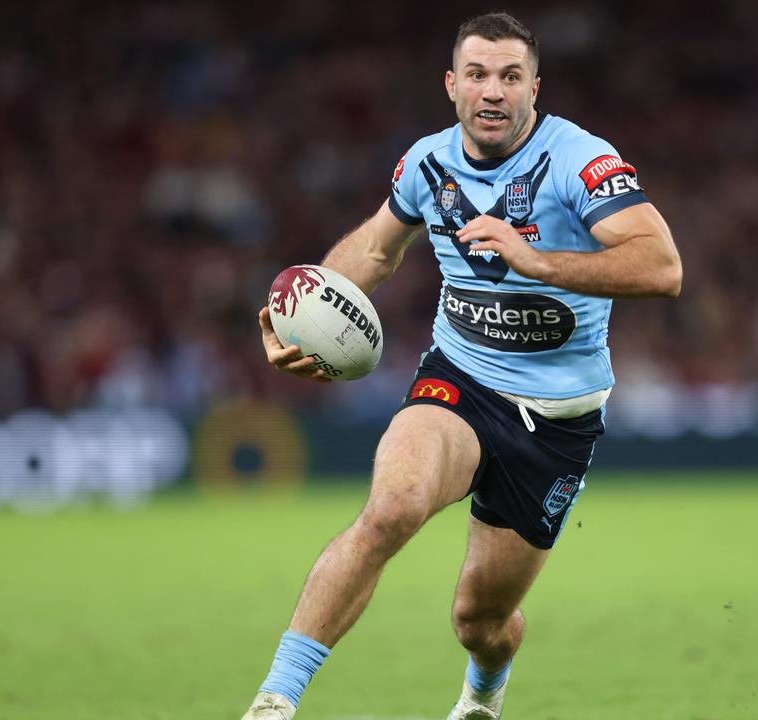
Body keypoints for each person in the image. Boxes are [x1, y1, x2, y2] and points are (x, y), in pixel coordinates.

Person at [243, 12, 681, 720]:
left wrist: (537, 260)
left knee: (479, 620)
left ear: (536, 87)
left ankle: (483, 691)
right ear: (451, 85)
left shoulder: (580, 160)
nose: (493, 91)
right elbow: (377, 252)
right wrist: (302, 316)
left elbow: (662, 266)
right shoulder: (426, 163)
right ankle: (275, 701)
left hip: (557, 423)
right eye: (477, 74)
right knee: (391, 509)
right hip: (460, 384)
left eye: (511, 76)